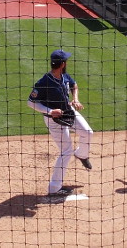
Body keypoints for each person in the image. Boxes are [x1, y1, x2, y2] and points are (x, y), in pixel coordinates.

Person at [28, 50, 94, 196]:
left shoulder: (64, 76)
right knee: (66, 151)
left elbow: (74, 85)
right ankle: (54, 187)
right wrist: (50, 111)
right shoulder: (44, 82)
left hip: (68, 111)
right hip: (54, 120)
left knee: (88, 132)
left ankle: (82, 154)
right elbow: (31, 102)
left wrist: (75, 99)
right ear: (63, 64)